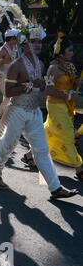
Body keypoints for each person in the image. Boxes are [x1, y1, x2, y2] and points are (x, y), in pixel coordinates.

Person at [0, 26, 78, 200]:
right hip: (17, 111)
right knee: (7, 144)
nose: (37, 45)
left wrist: (34, 86)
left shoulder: (41, 64)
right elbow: (9, 92)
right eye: (32, 41)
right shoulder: (16, 65)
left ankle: (55, 187)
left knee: (42, 150)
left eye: (39, 42)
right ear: (24, 44)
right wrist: (28, 86)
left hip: (34, 113)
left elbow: (38, 86)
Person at [43, 34, 83, 180]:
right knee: (67, 134)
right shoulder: (52, 69)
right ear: (61, 52)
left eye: (73, 50)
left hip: (66, 105)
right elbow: (48, 90)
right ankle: (79, 168)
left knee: (49, 131)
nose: (72, 53)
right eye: (70, 50)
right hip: (55, 105)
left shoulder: (70, 66)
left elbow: (71, 84)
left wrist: (77, 83)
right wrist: (68, 97)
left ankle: (31, 156)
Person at [0, 29, 20, 119]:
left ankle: (1, 115)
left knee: (9, 97)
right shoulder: (1, 51)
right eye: (16, 39)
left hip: (13, 77)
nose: (17, 41)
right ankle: (1, 114)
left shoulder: (15, 48)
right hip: (3, 77)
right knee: (9, 96)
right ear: (12, 39)